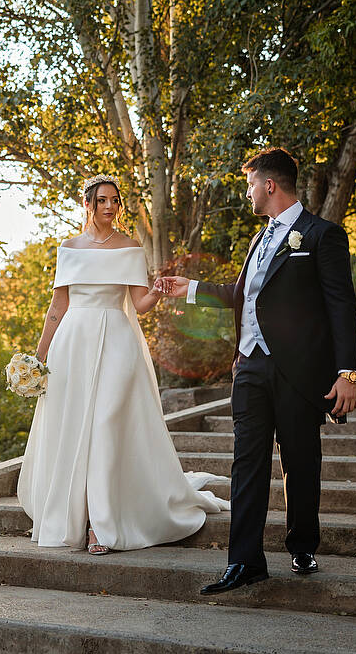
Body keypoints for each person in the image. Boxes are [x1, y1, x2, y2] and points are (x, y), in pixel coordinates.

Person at [158, 147, 356, 594]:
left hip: (300, 372)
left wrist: (348, 373)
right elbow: (244, 294)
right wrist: (188, 288)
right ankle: (245, 560)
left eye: (250, 183)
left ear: (269, 185)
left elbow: (341, 307)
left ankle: (302, 543)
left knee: (300, 462)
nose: (247, 192)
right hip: (250, 367)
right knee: (246, 463)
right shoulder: (259, 238)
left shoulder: (322, 235)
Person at [16, 174, 229, 556]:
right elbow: (57, 308)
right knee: (74, 428)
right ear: (88, 205)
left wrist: (160, 292)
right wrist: (40, 357)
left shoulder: (131, 248)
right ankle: (77, 518)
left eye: (115, 200)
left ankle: (103, 523)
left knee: (106, 424)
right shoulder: (69, 248)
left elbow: (139, 305)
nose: (110, 207)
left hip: (116, 340)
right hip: (72, 345)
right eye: (102, 200)